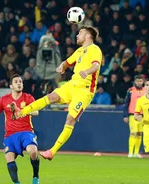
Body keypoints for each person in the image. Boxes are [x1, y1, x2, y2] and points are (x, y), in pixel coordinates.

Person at [12, 26, 103, 161]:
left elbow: (96, 65)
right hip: (72, 84)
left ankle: (52, 151)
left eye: (80, 33)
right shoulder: (79, 51)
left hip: (85, 89)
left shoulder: (95, 49)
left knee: (70, 119)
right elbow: (67, 62)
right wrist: (62, 66)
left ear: (88, 36)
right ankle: (21, 112)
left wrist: (87, 72)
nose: (77, 35)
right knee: (50, 97)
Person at [123, 75, 146, 158]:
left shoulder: (146, 91)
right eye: (137, 81)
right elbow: (126, 103)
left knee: (140, 134)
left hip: (142, 115)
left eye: (140, 81)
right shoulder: (130, 91)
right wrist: (125, 115)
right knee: (133, 133)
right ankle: (130, 152)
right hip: (133, 114)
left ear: (142, 82)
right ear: (135, 82)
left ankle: (136, 152)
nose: (139, 83)